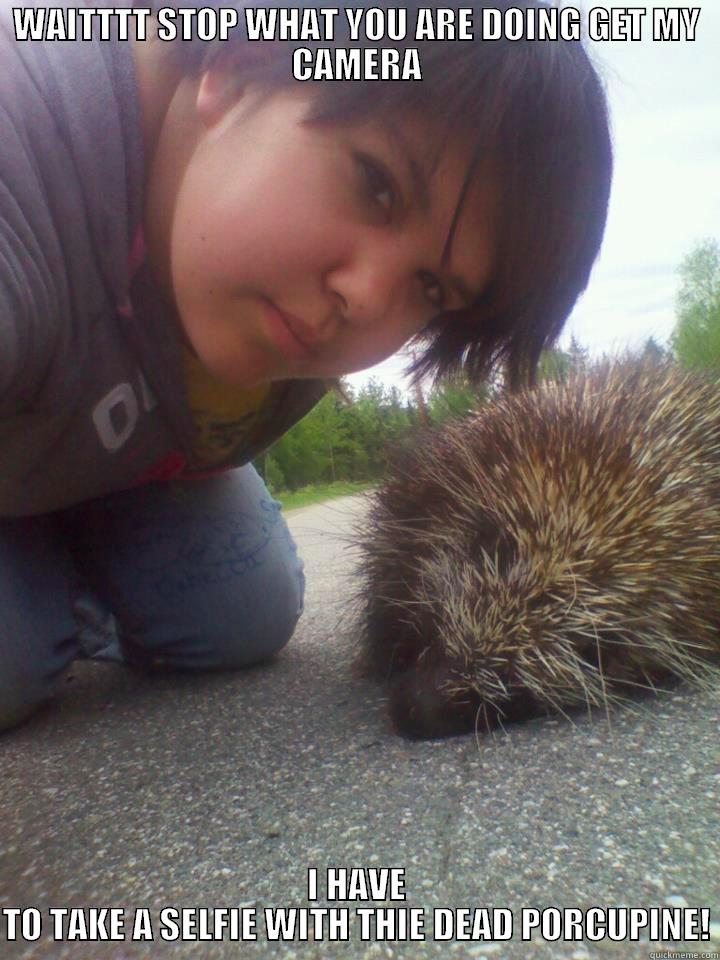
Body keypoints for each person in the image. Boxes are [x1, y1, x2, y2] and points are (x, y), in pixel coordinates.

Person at [0, 0, 613, 731]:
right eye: (375, 183)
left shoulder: (279, 286)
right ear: (237, 66)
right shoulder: (25, 156)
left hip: (102, 456)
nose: (366, 300)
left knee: (240, 609)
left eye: (429, 287)